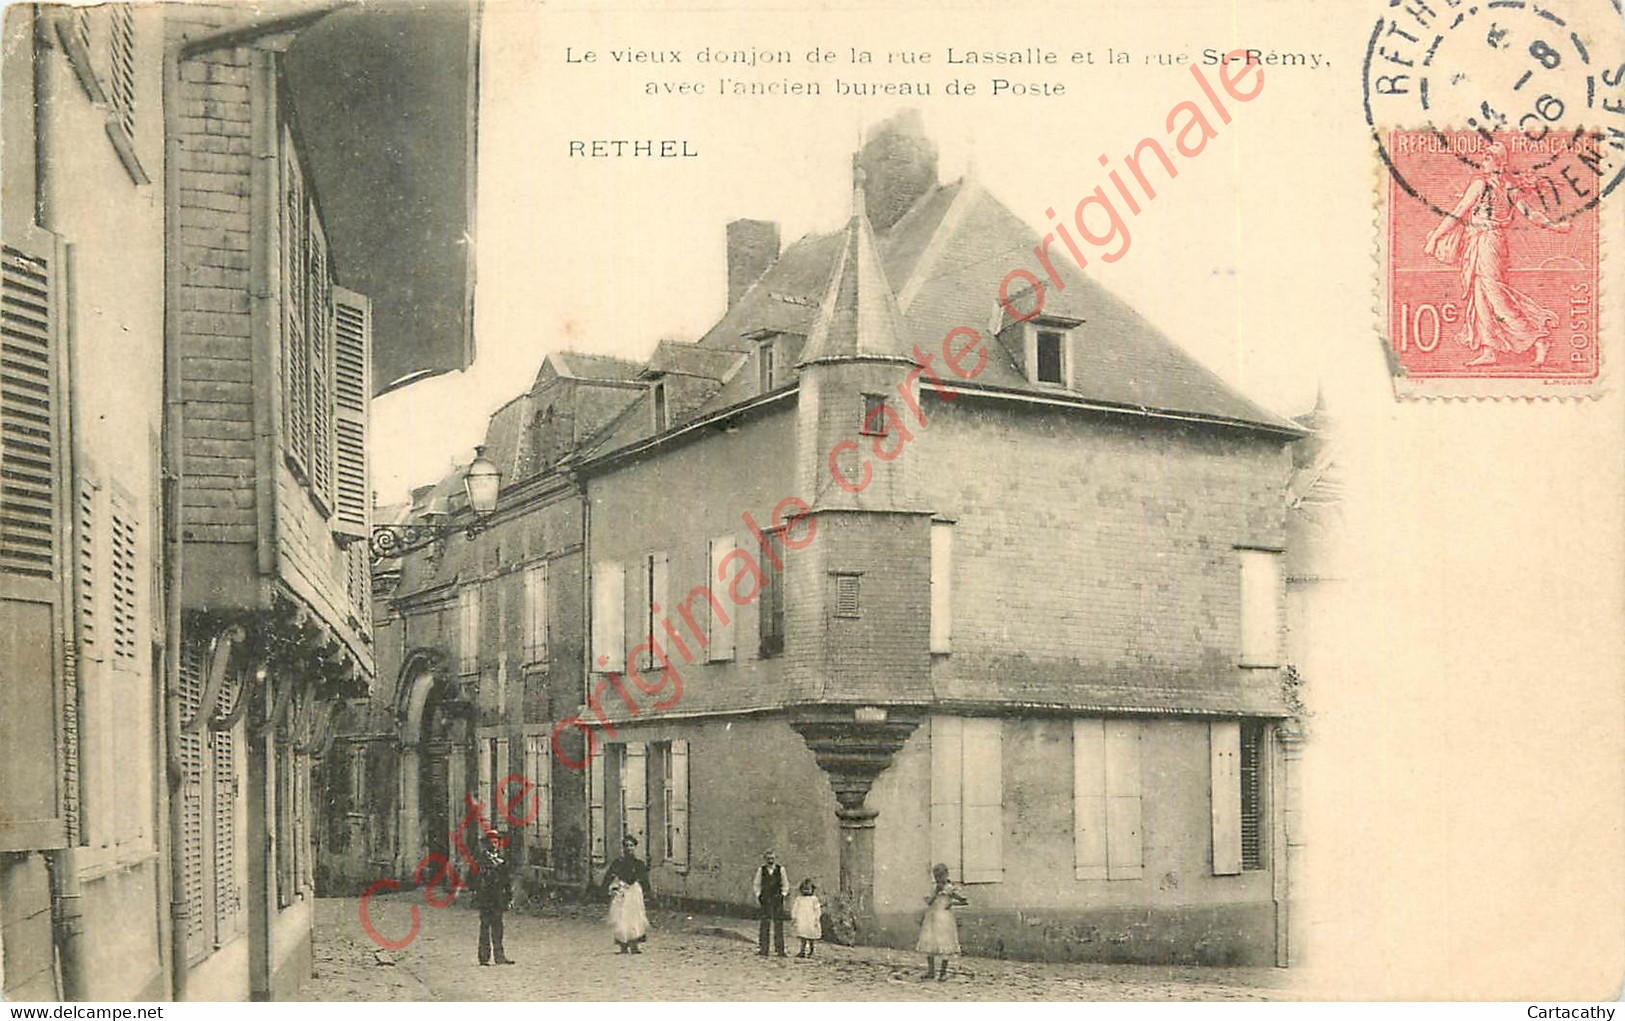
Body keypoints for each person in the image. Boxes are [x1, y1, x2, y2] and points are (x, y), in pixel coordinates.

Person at [1422, 140, 1572, 367]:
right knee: (1480, 294)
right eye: (1484, 155)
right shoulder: (1507, 186)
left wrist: (1435, 237)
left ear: (1499, 162)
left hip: (1488, 242)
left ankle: (1538, 338)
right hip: (1485, 241)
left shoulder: (1484, 185)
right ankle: (1489, 350)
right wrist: (1554, 226)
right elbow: (1529, 213)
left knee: (1493, 293)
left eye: (1489, 155)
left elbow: (1459, 212)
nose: (1484, 158)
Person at [600, 834, 652, 954]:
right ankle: (623, 944)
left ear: (635, 847)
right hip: (622, 891)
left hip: (634, 892)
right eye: (626, 846)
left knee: (635, 917)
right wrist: (606, 889)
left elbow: (645, 880)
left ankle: (634, 944)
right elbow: (609, 876)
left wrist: (648, 893)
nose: (629, 848)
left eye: (631, 846)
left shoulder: (639, 864)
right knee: (621, 917)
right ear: (623, 848)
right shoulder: (618, 863)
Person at [916, 863, 968, 981]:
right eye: (937, 877)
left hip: (943, 918)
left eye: (941, 876)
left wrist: (951, 902)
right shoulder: (941, 888)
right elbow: (929, 902)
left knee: (944, 943)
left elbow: (963, 901)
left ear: (946, 875)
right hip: (934, 917)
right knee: (931, 942)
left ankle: (941, 973)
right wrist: (938, 895)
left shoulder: (948, 888)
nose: (939, 879)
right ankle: (932, 971)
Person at [473, 830, 515, 966]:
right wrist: (477, 892)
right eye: (491, 842)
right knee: (485, 926)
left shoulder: (502, 860)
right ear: (486, 844)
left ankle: (500, 956)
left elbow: (506, 880)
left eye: (496, 842)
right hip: (485, 898)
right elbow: (472, 879)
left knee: (498, 927)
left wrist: (508, 896)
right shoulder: (480, 860)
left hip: (498, 898)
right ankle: (484, 957)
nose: (494, 845)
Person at [751, 849, 789, 957]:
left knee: (778, 924)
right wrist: (759, 895)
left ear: (775, 859)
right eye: (768, 859)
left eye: (772, 858)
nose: (770, 861)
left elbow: (785, 883)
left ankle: (780, 950)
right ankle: (763, 949)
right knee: (764, 924)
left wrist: (783, 895)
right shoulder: (761, 870)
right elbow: (756, 884)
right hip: (766, 899)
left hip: (777, 899)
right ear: (765, 859)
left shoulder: (780, 869)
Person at [790, 878, 822, 959]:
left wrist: (817, 919)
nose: (806, 891)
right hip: (802, 920)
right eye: (804, 889)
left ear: (812, 889)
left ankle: (811, 951)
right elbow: (795, 908)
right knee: (803, 936)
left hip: (811, 920)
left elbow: (817, 909)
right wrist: (794, 917)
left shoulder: (814, 899)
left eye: (808, 889)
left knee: (811, 937)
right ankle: (802, 951)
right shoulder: (799, 899)